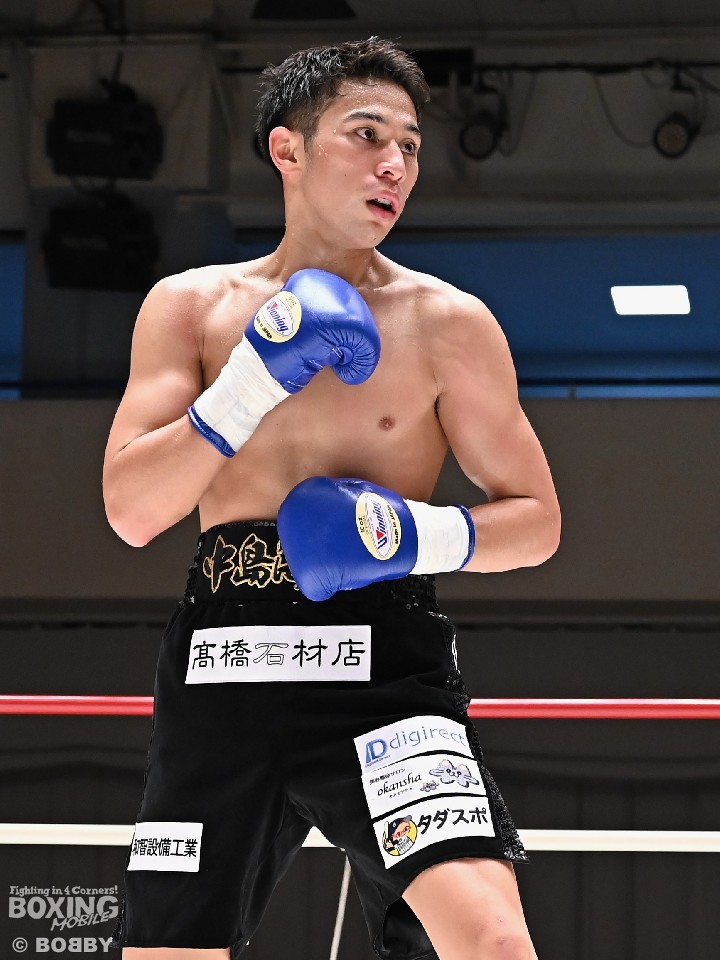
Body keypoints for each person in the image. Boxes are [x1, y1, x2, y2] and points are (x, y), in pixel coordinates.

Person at [103, 36, 560, 960]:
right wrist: (248, 385)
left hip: (382, 664)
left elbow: (538, 522)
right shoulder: (190, 308)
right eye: (367, 133)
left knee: (491, 942)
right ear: (289, 148)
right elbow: (133, 510)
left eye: (411, 146)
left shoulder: (449, 324)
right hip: (224, 659)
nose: (397, 164)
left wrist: (410, 535)